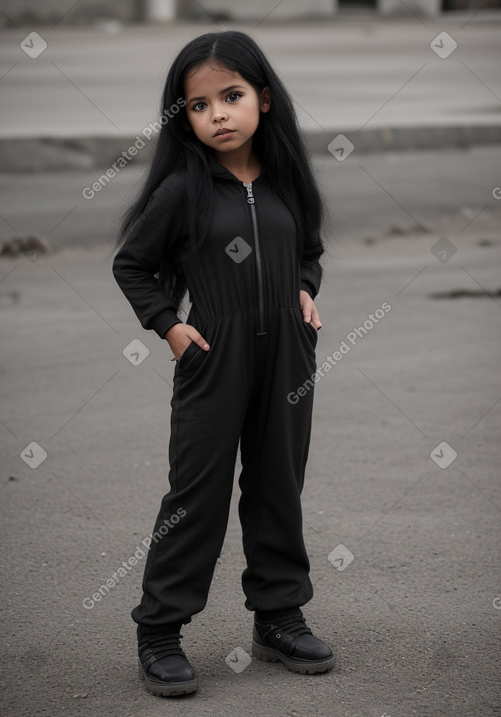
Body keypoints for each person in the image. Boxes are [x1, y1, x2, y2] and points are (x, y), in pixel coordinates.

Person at [112, 29, 335, 697]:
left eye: (231, 97)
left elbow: (308, 252)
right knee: (196, 495)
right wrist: (171, 327)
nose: (218, 114)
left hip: (288, 357)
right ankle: (160, 631)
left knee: (277, 486)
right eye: (200, 105)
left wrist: (304, 290)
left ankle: (279, 615)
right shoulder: (183, 189)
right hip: (212, 356)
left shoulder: (287, 181)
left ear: (264, 99)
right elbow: (133, 265)